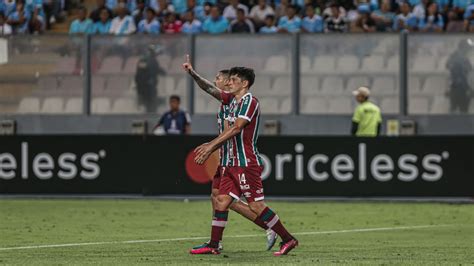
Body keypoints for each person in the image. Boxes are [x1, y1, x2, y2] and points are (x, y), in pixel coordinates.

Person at [183, 61, 298, 256]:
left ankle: (288, 239)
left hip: (245, 163)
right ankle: (213, 244)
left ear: (244, 84)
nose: (229, 83)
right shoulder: (231, 101)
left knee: (256, 205)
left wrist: (211, 146)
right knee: (220, 201)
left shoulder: (250, 101)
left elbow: (236, 128)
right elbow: (210, 88)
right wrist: (193, 74)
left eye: (234, 80)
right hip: (229, 163)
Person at [135, 45, 165, 113]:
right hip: (146, 87)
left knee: (151, 105)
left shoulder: (151, 60)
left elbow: (156, 69)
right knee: (149, 105)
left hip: (150, 87)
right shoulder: (145, 60)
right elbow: (140, 74)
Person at [446, 40, 472, 113]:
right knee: (458, 111)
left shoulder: (457, 57)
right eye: (468, 48)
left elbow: (469, 70)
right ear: (463, 48)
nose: (469, 50)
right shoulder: (456, 57)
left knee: (458, 110)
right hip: (459, 88)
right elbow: (448, 66)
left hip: (458, 88)